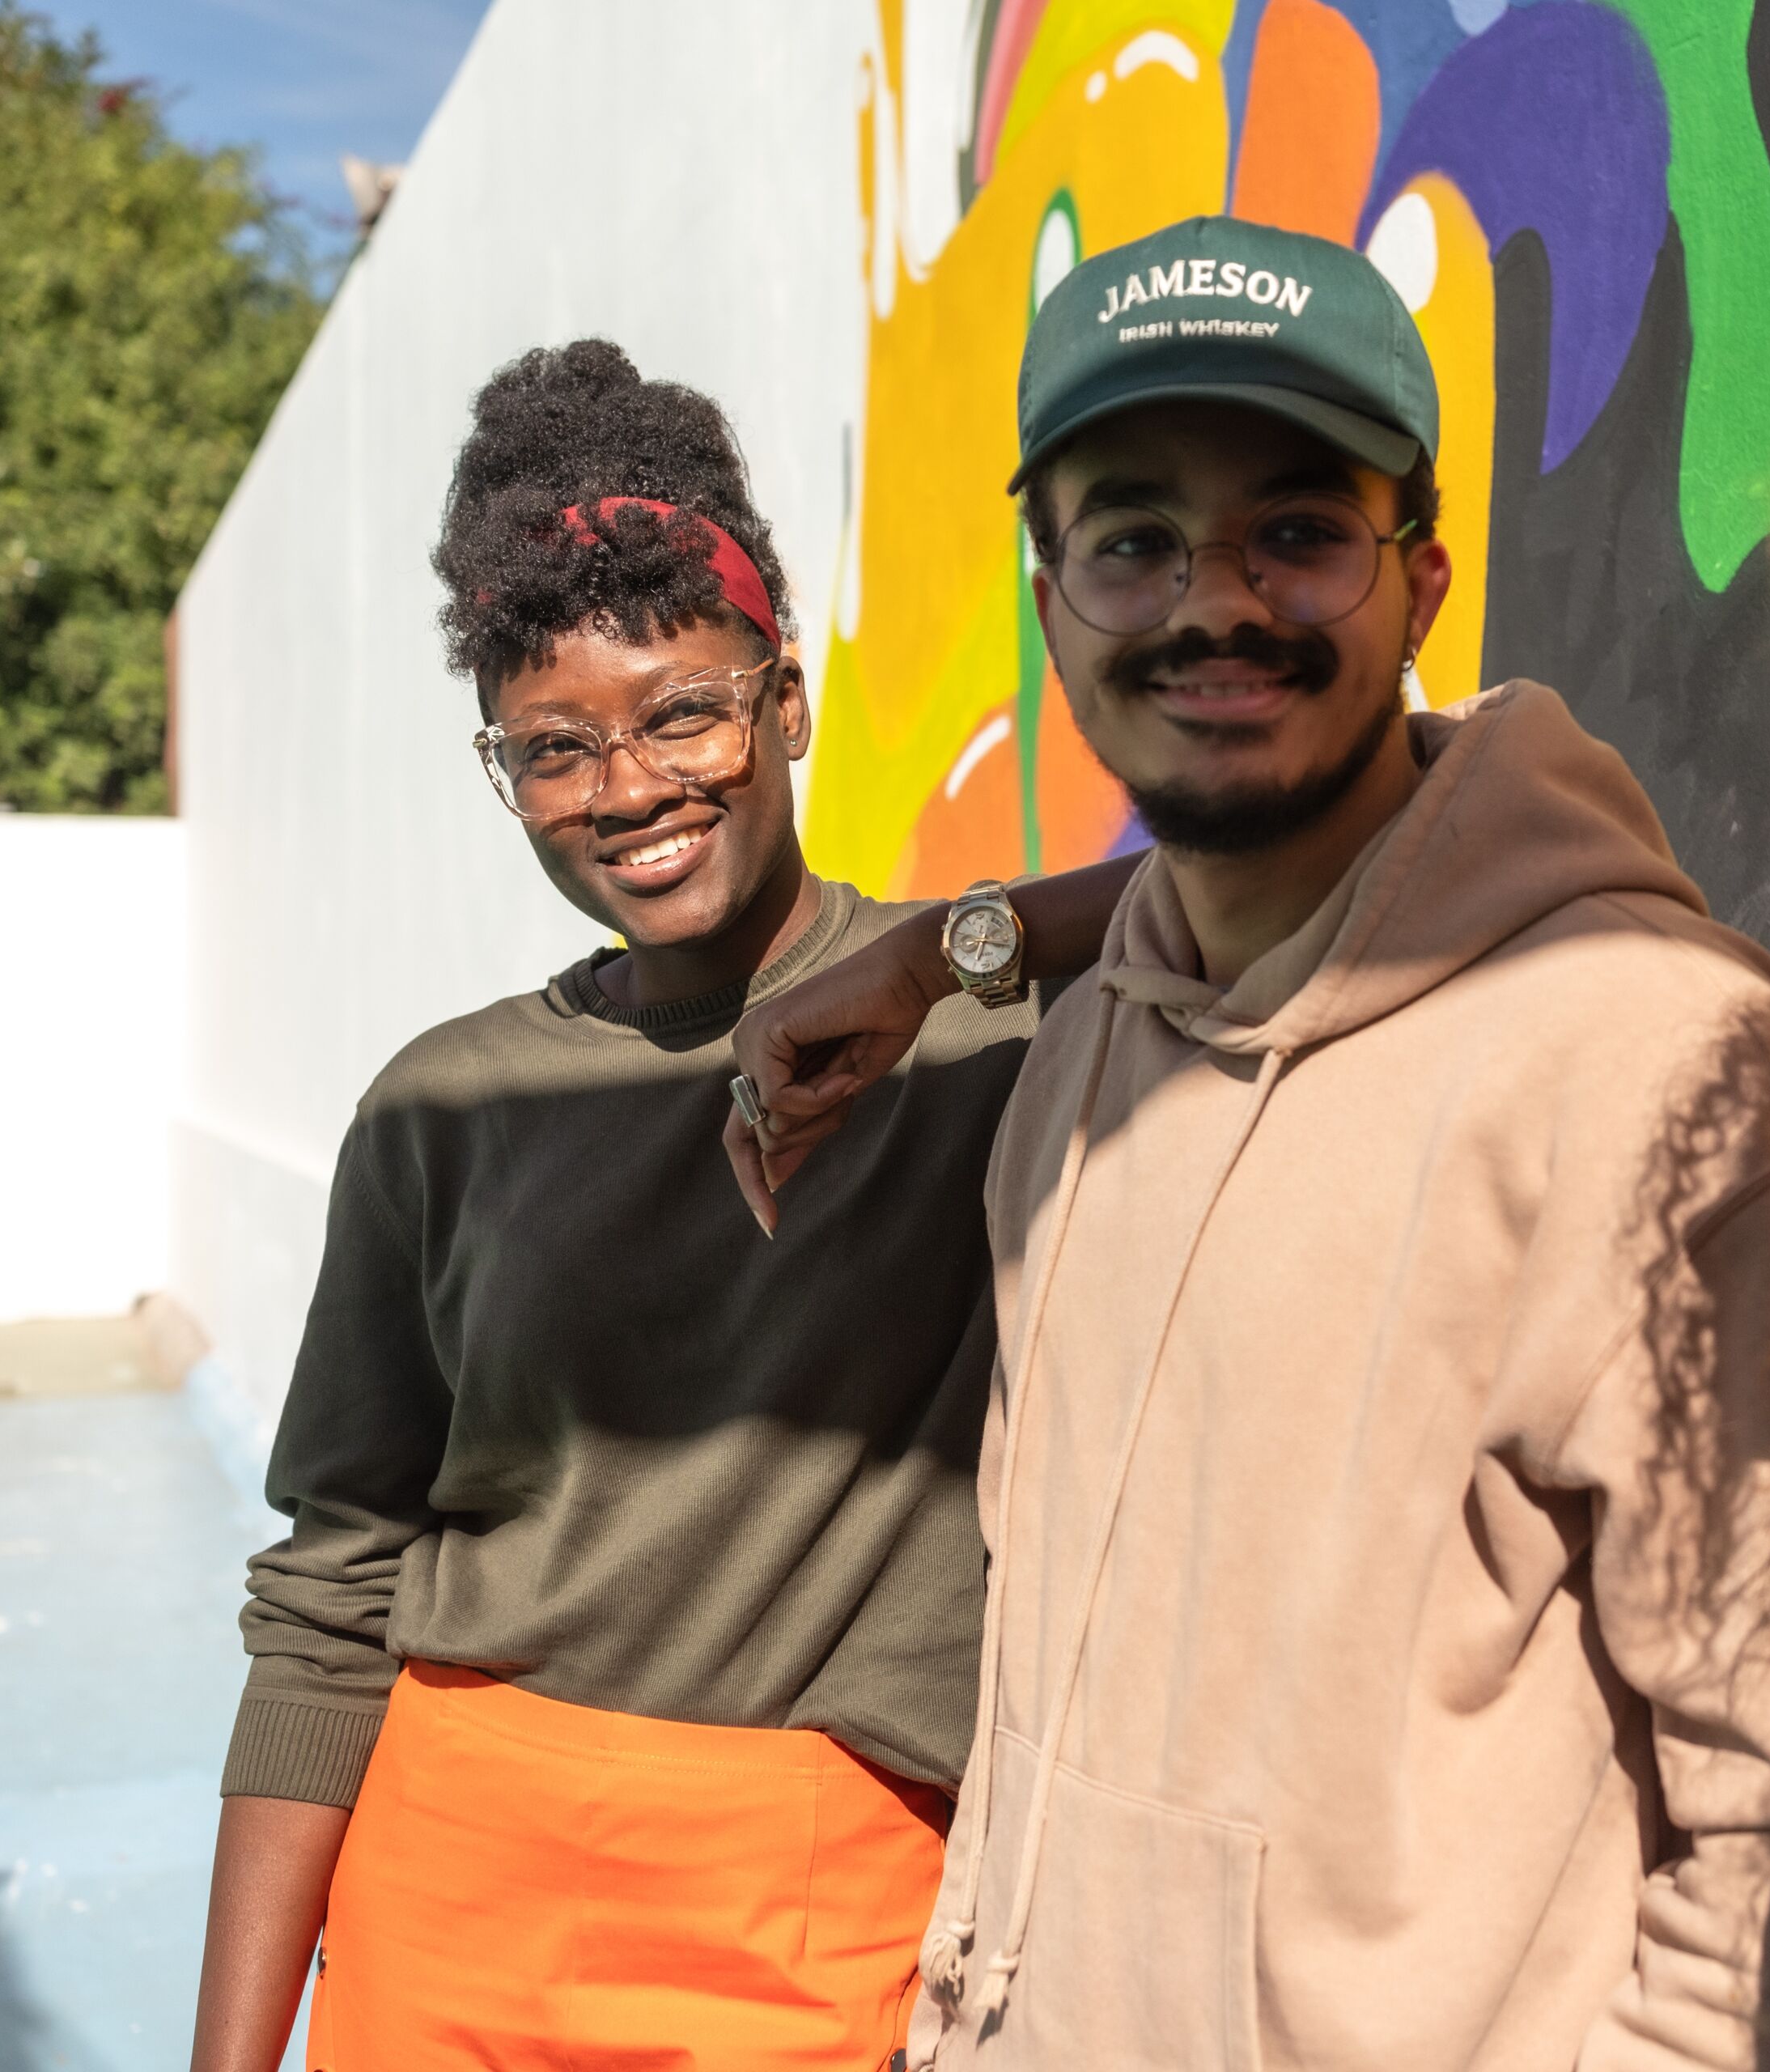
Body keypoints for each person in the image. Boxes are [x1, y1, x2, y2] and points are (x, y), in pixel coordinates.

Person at [728, 216, 1770, 2070]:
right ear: (1053, 602)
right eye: (1134, 540)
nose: (1216, 602)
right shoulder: (1084, 1053)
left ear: (1420, 582)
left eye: (1297, 531)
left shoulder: (1670, 1078)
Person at [189, 339, 1136, 2072]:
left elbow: (1361, 833)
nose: (627, 788)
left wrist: (944, 949)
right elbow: (332, 1589)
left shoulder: (998, 1028)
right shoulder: (447, 1106)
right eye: (553, 747)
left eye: (683, 709)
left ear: (786, 700)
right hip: (448, 1903)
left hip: (823, 1915)